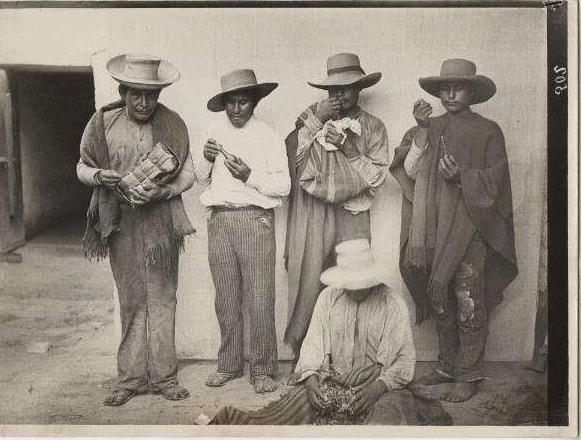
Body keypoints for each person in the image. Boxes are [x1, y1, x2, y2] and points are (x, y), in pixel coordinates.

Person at [211, 239, 452, 426]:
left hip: (380, 385)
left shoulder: (392, 302)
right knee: (294, 408)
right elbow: (313, 345)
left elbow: (403, 361)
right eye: (350, 283)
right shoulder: (329, 298)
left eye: (361, 283)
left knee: (392, 412)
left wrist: (377, 388)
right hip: (334, 381)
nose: (356, 289)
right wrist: (312, 379)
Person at [390, 59, 518, 403]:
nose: (450, 94)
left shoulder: (488, 130)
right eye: (444, 88)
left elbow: (498, 180)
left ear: (472, 91)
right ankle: (447, 366)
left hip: (468, 230)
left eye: (457, 87)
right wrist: (419, 130)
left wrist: (462, 177)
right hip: (431, 229)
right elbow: (410, 171)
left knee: (467, 301)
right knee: (440, 299)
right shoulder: (426, 125)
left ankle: (468, 373)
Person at [77, 54, 196, 406]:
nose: (144, 103)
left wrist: (167, 190)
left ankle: (165, 378)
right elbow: (82, 166)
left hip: (161, 219)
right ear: (123, 91)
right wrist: (99, 176)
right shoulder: (102, 124)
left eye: (152, 95)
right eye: (136, 95)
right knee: (131, 299)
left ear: (159, 94)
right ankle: (129, 379)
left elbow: (188, 172)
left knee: (163, 297)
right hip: (122, 219)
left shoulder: (174, 124)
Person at [284, 53, 389, 363]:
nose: (340, 95)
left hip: (353, 211)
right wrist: (315, 119)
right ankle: (307, 358)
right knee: (311, 280)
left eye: (348, 87)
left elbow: (377, 177)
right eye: (334, 89)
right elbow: (291, 160)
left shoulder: (373, 126)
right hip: (315, 209)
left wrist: (349, 148)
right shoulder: (311, 117)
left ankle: (353, 359)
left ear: (360, 89)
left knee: (355, 281)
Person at [195, 69, 291, 394]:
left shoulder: (269, 135)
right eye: (231, 103)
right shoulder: (212, 130)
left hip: (255, 220)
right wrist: (206, 161)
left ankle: (263, 369)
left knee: (260, 297)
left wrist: (250, 176)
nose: (237, 109)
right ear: (224, 104)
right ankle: (230, 364)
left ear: (255, 102)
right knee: (226, 297)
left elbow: (283, 187)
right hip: (219, 219)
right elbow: (198, 177)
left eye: (244, 102)